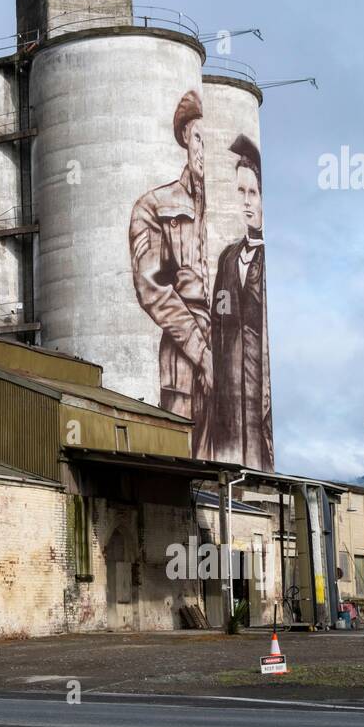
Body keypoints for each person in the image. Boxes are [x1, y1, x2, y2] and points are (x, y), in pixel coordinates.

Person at [129, 90, 213, 454]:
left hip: (224, 350)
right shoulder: (155, 205)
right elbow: (152, 288)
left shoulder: (223, 205)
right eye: (198, 138)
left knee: (225, 468)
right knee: (182, 456)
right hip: (184, 351)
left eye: (210, 141)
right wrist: (201, 351)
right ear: (184, 138)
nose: (203, 150)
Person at [209, 133, 273, 469]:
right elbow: (216, 323)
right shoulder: (227, 258)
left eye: (253, 192)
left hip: (257, 397)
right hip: (228, 399)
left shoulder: (268, 260)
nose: (247, 201)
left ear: (264, 198)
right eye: (240, 192)